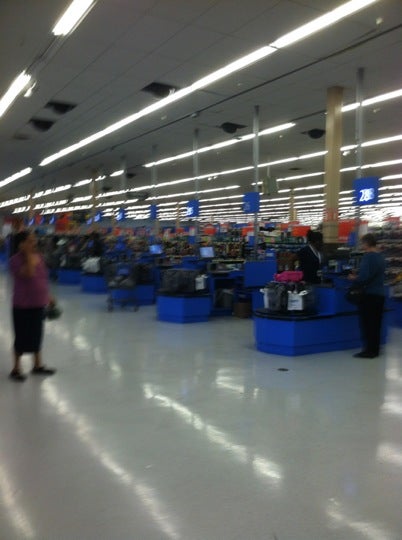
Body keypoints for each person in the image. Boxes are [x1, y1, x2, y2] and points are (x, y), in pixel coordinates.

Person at [8, 231, 56, 381]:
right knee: (21, 337)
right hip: (22, 304)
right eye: (29, 241)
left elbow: (42, 278)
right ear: (20, 244)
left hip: (38, 303)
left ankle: (37, 365)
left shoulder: (39, 257)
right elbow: (28, 273)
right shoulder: (15, 260)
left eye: (34, 240)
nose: (34, 243)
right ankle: (16, 369)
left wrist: (47, 296)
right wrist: (28, 255)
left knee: (37, 336)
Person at [348, 233, 386, 359]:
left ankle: (368, 351)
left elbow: (364, 278)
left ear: (366, 243)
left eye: (362, 243)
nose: (361, 245)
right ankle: (375, 350)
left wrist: (354, 277)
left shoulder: (368, 257)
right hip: (380, 294)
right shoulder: (380, 256)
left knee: (367, 323)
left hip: (369, 295)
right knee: (376, 324)